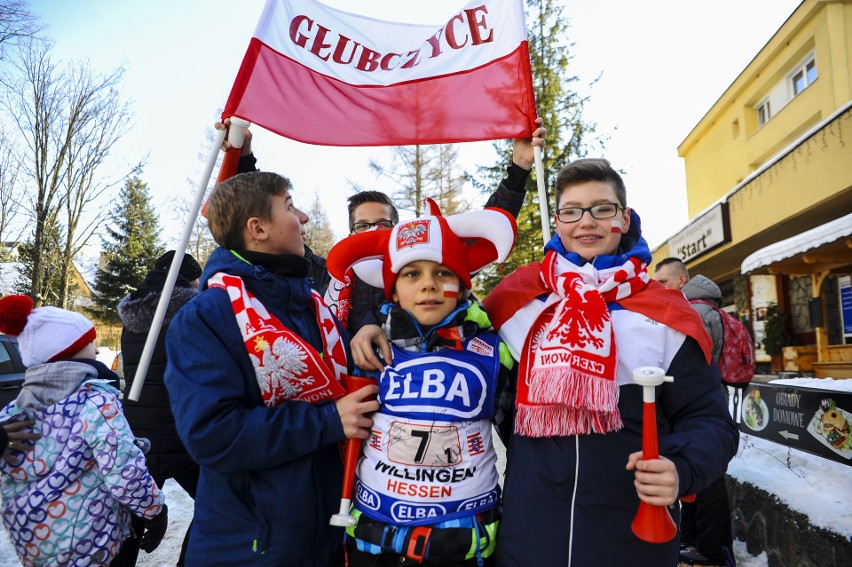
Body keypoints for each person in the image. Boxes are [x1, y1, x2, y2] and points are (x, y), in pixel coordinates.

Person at [479, 158, 739, 566]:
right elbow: (441, 299)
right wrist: (371, 325)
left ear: (624, 217)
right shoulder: (518, 303)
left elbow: (710, 421)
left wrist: (680, 465)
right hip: (528, 539)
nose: (586, 222)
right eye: (571, 211)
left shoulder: (665, 313)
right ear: (558, 222)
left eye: (602, 208)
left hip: (631, 541)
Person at [164, 171, 380, 566]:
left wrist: (368, 328)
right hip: (251, 548)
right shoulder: (207, 316)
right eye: (289, 207)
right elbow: (212, 434)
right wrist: (328, 421)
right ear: (257, 228)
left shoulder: (314, 306)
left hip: (325, 539)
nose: (303, 218)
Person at [218, 117, 547, 334]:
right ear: (351, 235)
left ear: (398, 228)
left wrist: (518, 168)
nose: (374, 231)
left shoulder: (428, 267)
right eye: (364, 226)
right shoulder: (324, 276)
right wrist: (244, 160)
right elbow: (270, 233)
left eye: (383, 224)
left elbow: (484, 231)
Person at [327, 200, 518, 566]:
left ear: (462, 288)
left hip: (462, 541)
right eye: (412, 274)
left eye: (444, 273)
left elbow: (525, 447)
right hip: (374, 540)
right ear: (393, 291)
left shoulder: (496, 352)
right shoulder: (367, 349)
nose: (429, 284)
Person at [0, 295, 167, 567]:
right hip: (94, 544)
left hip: (37, 545)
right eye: (90, 343)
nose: (97, 350)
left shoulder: (10, 414)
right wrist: (155, 511)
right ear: (69, 350)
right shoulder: (95, 402)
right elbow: (124, 472)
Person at [116, 250, 203, 566]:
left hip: (138, 429)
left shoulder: (133, 317)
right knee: (214, 504)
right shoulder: (194, 311)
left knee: (131, 516)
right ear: (188, 278)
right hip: (181, 428)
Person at [654, 257, 736, 567]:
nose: (658, 287)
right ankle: (693, 539)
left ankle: (712, 550)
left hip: (703, 404)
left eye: (663, 281)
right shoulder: (696, 308)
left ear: (681, 281)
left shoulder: (695, 311)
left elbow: (696, 367)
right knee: (696, 479)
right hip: (698, 402)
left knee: (709, 482)